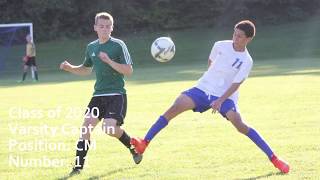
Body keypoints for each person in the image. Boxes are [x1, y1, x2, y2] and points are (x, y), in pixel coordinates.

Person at [131, 20, 290, 173]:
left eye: (240, 36)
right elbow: (211, 62)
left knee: (239, 123)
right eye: (234, 34)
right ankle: (144, 143)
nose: (235, 38)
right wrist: (210, 84)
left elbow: (236, 84)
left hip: (226, 97)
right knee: (174, 107)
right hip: (203, 88)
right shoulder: (219, 45)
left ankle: (274, 159)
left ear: (249, 39)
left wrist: (220, 100)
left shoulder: (246, 61)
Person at [60, 12, 142, 176]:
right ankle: (77, 167)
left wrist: (109, 61)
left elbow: (129, 71)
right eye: (101, 26)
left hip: (116, 94)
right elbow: (86, 70)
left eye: (108, 27)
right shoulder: (91, 47)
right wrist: (70, 68)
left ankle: (133, 146)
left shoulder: (118, 45)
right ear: (95, 27)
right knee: (86, 128)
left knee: (110, 129)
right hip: (98, 95)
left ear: (112, 28)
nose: (105, 29)